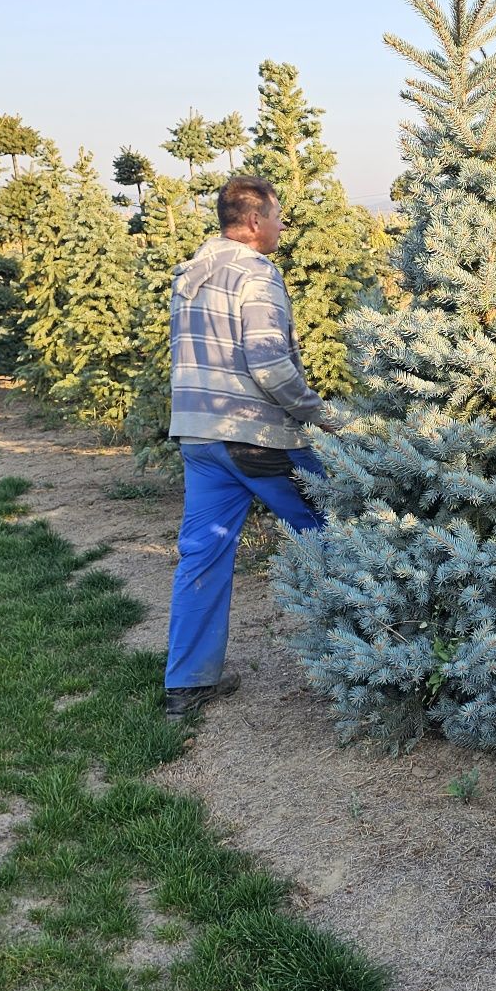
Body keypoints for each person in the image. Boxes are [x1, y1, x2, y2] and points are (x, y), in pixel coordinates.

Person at [163, 174, 335, 720]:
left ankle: (187, 685)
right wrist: (319, 413)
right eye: (279, 216)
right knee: (336, 526)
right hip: (254, 436)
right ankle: (370, 660)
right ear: (257, 221)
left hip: (197, 436)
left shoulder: (190, 274)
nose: (283, 226)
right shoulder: (256, 275)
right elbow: (267, 363)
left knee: (203, 553)